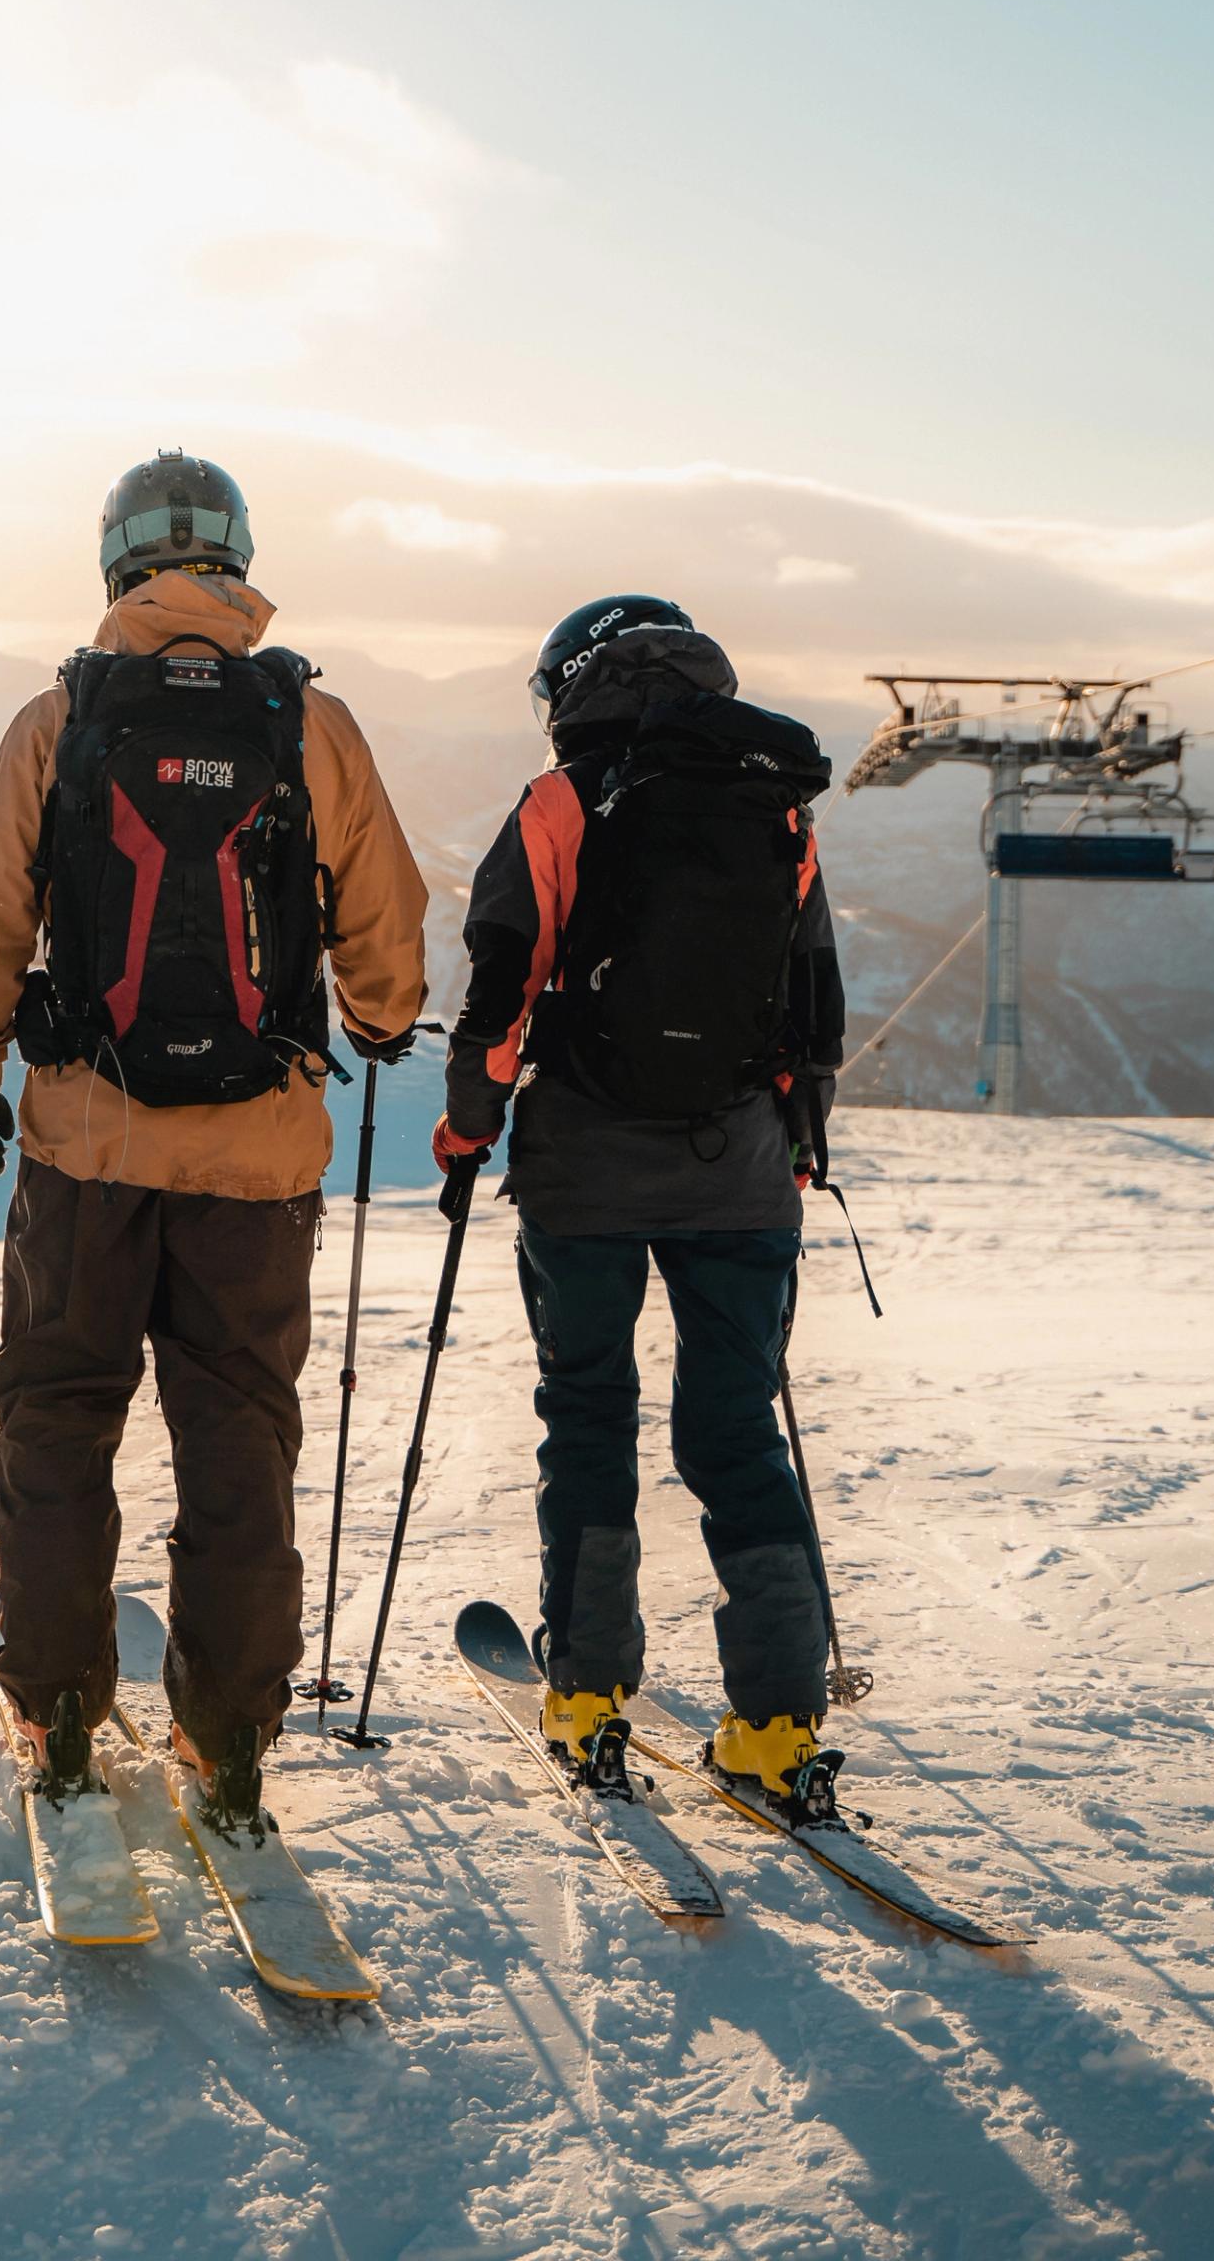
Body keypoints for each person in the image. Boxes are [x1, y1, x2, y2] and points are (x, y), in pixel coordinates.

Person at [0, 450, 428, 1830]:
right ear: (236, 558)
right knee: (240, 1434)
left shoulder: (62, 717)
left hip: (87, 1149)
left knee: (58, 1418)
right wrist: (380, 1019)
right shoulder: (306, 723)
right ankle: (231, 1727)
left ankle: (62, 1705)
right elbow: (387, 925)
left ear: (117, 564)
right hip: (260, 1166)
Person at [431, 595, 850, 1811]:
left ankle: (591, 1692)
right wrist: (799, 1146)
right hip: (743, 1169)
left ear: (570, 685)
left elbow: (502, 975)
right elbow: (813, 1002)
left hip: (587, 1170)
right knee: (736, 1434)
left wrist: (472, 1122)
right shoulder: (773, 797)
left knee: (590, 1417)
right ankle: (774, 1723)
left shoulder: (564, 800)